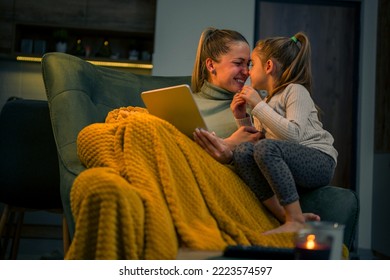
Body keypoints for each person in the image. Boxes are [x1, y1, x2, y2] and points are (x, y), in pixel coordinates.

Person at [194, 32, 338, 234]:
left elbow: (292, 136)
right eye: (241, 64)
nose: (247, 72)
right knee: (244, 151)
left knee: (265, 148)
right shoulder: (266, 103)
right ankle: (283, 215)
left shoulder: (295, 91)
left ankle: (295, 218)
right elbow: (256, 140)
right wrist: (241, 117)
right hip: (287, 158)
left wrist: (258, 105)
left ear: (268, 67)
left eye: (251, 64)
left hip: (318, 159)